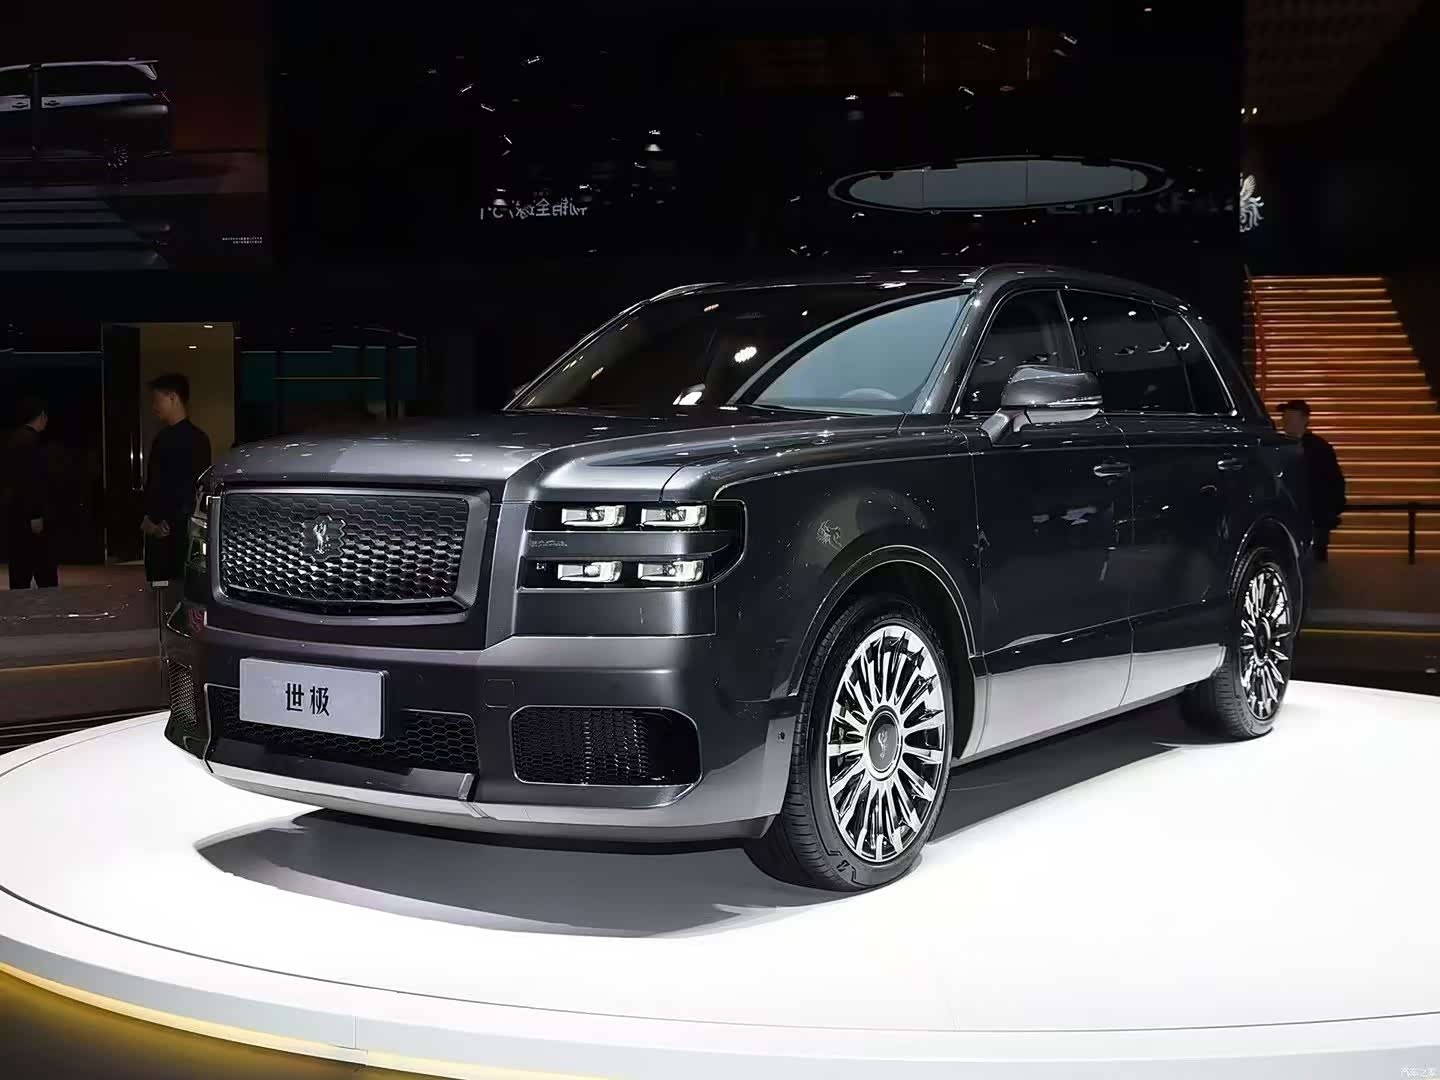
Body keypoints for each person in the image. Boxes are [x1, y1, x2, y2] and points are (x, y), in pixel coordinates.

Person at [142, 374, 212, 583]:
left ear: (173, 398)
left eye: (157, 400)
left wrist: (162, 523)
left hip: (177, 530)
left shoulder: (193, 439)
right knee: (165, 586)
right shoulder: (168, 438)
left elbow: (192, 489)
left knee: (173, 585)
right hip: (165, 526)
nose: (154, 406)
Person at [3, 395, 59, 589]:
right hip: (30, 515)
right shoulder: (31, 442)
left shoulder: (14, 439)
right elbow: (32, 481)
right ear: (41, 415)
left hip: (16, 512)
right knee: (42, 566)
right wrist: (36, 514)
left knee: (20, 567)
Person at [1280, 399, 1345, 562]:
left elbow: (1333, 481)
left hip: (1315, 515)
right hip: (1289, 515)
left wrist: (1330, 511)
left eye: (1290, 418)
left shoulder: (1319, 448)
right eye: (1284, 418)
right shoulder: (1280, 447)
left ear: (1304, 420)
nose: (1286, 422)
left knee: (1314, 561)